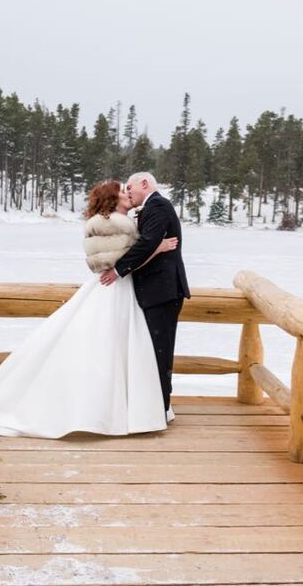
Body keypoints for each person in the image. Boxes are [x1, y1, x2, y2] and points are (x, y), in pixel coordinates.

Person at [0, 180, 178, 438]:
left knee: (118, 347)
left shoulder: (119, 220)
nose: (127, 194)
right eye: (122, 191)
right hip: (115, 288)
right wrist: (159, 247)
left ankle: (123, 408)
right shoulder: (110, 224)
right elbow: (119, 261)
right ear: (112, 198)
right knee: (107, 345)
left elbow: (127, 258)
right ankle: (107, 411)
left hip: (122, 288)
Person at [99, 171, 190, 422]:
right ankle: (156, 406)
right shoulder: (149, 208)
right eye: (124, 190)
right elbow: (149, 244)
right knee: (152, 351)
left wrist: (118, 270)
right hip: (154, 292)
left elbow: (147, 242)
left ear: (145, 184)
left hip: (163, 291)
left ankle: (160, 408)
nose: (128, 192)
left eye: (130, 187)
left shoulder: (158, 205)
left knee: (160, 352)